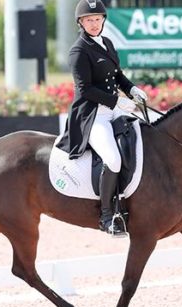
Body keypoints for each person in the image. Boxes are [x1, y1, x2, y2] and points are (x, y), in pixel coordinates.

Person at [56, 0, 147, 237]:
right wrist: (117, 101)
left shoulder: (106, 42)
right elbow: (85, 89)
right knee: (113, 159)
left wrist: (132, 90)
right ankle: (107, 216)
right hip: (92, 115)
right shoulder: (78, 51)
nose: (94, 24)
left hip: (114, 109)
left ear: (103, 20)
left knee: (146, 137)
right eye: (89, 20)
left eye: (97, 19)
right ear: (81, 22)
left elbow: (117, 76)